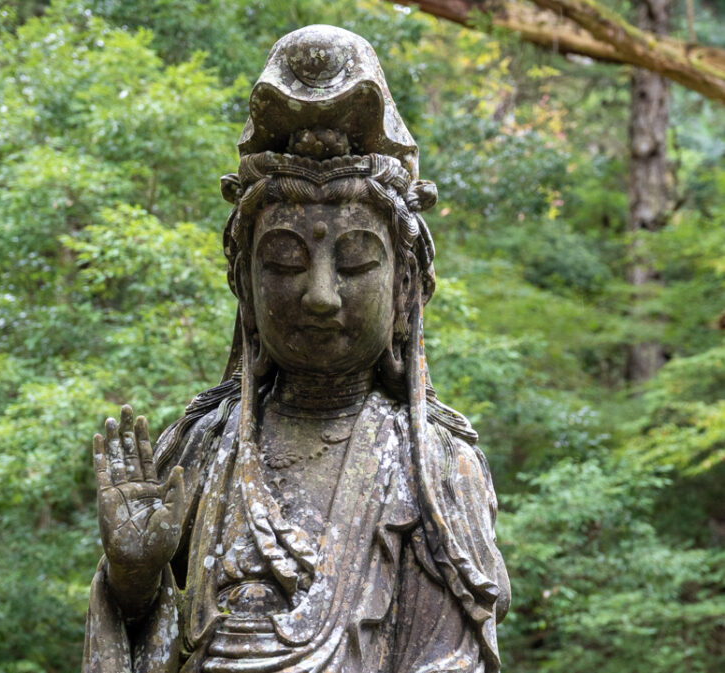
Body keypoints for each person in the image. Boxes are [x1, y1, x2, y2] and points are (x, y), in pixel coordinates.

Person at [83, 25, 509, 673]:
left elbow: (446, 661)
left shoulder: (432, 466)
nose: (318, 295)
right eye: (283, 259)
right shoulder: (197, 447)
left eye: (355, 260)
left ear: (404, 291)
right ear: (245, 288)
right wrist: (134, 583)